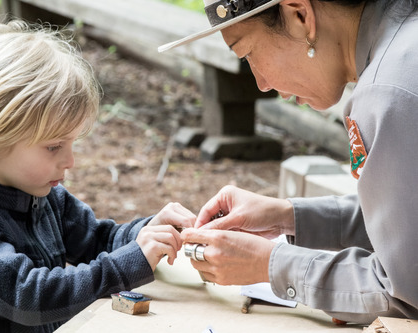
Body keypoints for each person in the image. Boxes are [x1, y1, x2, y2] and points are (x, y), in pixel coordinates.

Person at [0, 20, 196, 332]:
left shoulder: (44, 195)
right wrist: (125, 265)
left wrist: (149, 233)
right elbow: (28, 296)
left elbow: (98, 240)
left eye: (70, 144)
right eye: (53, 147)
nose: (70, 161)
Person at [159, 0, 418, 325]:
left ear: (300, 15)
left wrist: (268, 264)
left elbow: (404, 290)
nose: (262, 83)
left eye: (248, 53)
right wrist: (288, 217)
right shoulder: (405, 43)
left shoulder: (387, 93)